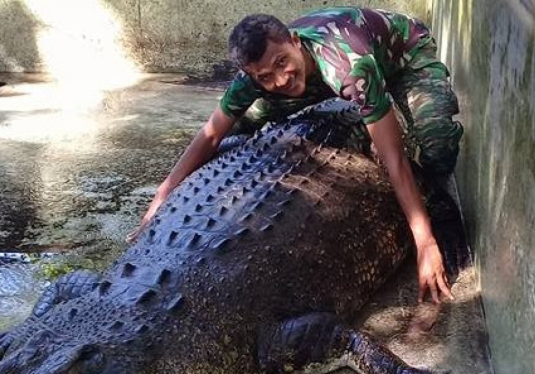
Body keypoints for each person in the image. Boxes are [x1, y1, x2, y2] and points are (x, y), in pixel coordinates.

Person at [127, 6, 463, 304]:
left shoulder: (349, 68)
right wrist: (163, 195)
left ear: (294, 41)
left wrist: (424, 242)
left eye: (281, 62)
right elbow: (210, 135)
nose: (280, 78)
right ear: (251, 75)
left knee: (437, 141)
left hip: (403, 56)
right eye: (264, 76)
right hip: (317, 75)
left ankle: (440, 209)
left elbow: (395, 161)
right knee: (240, 127)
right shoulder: (262, 77)